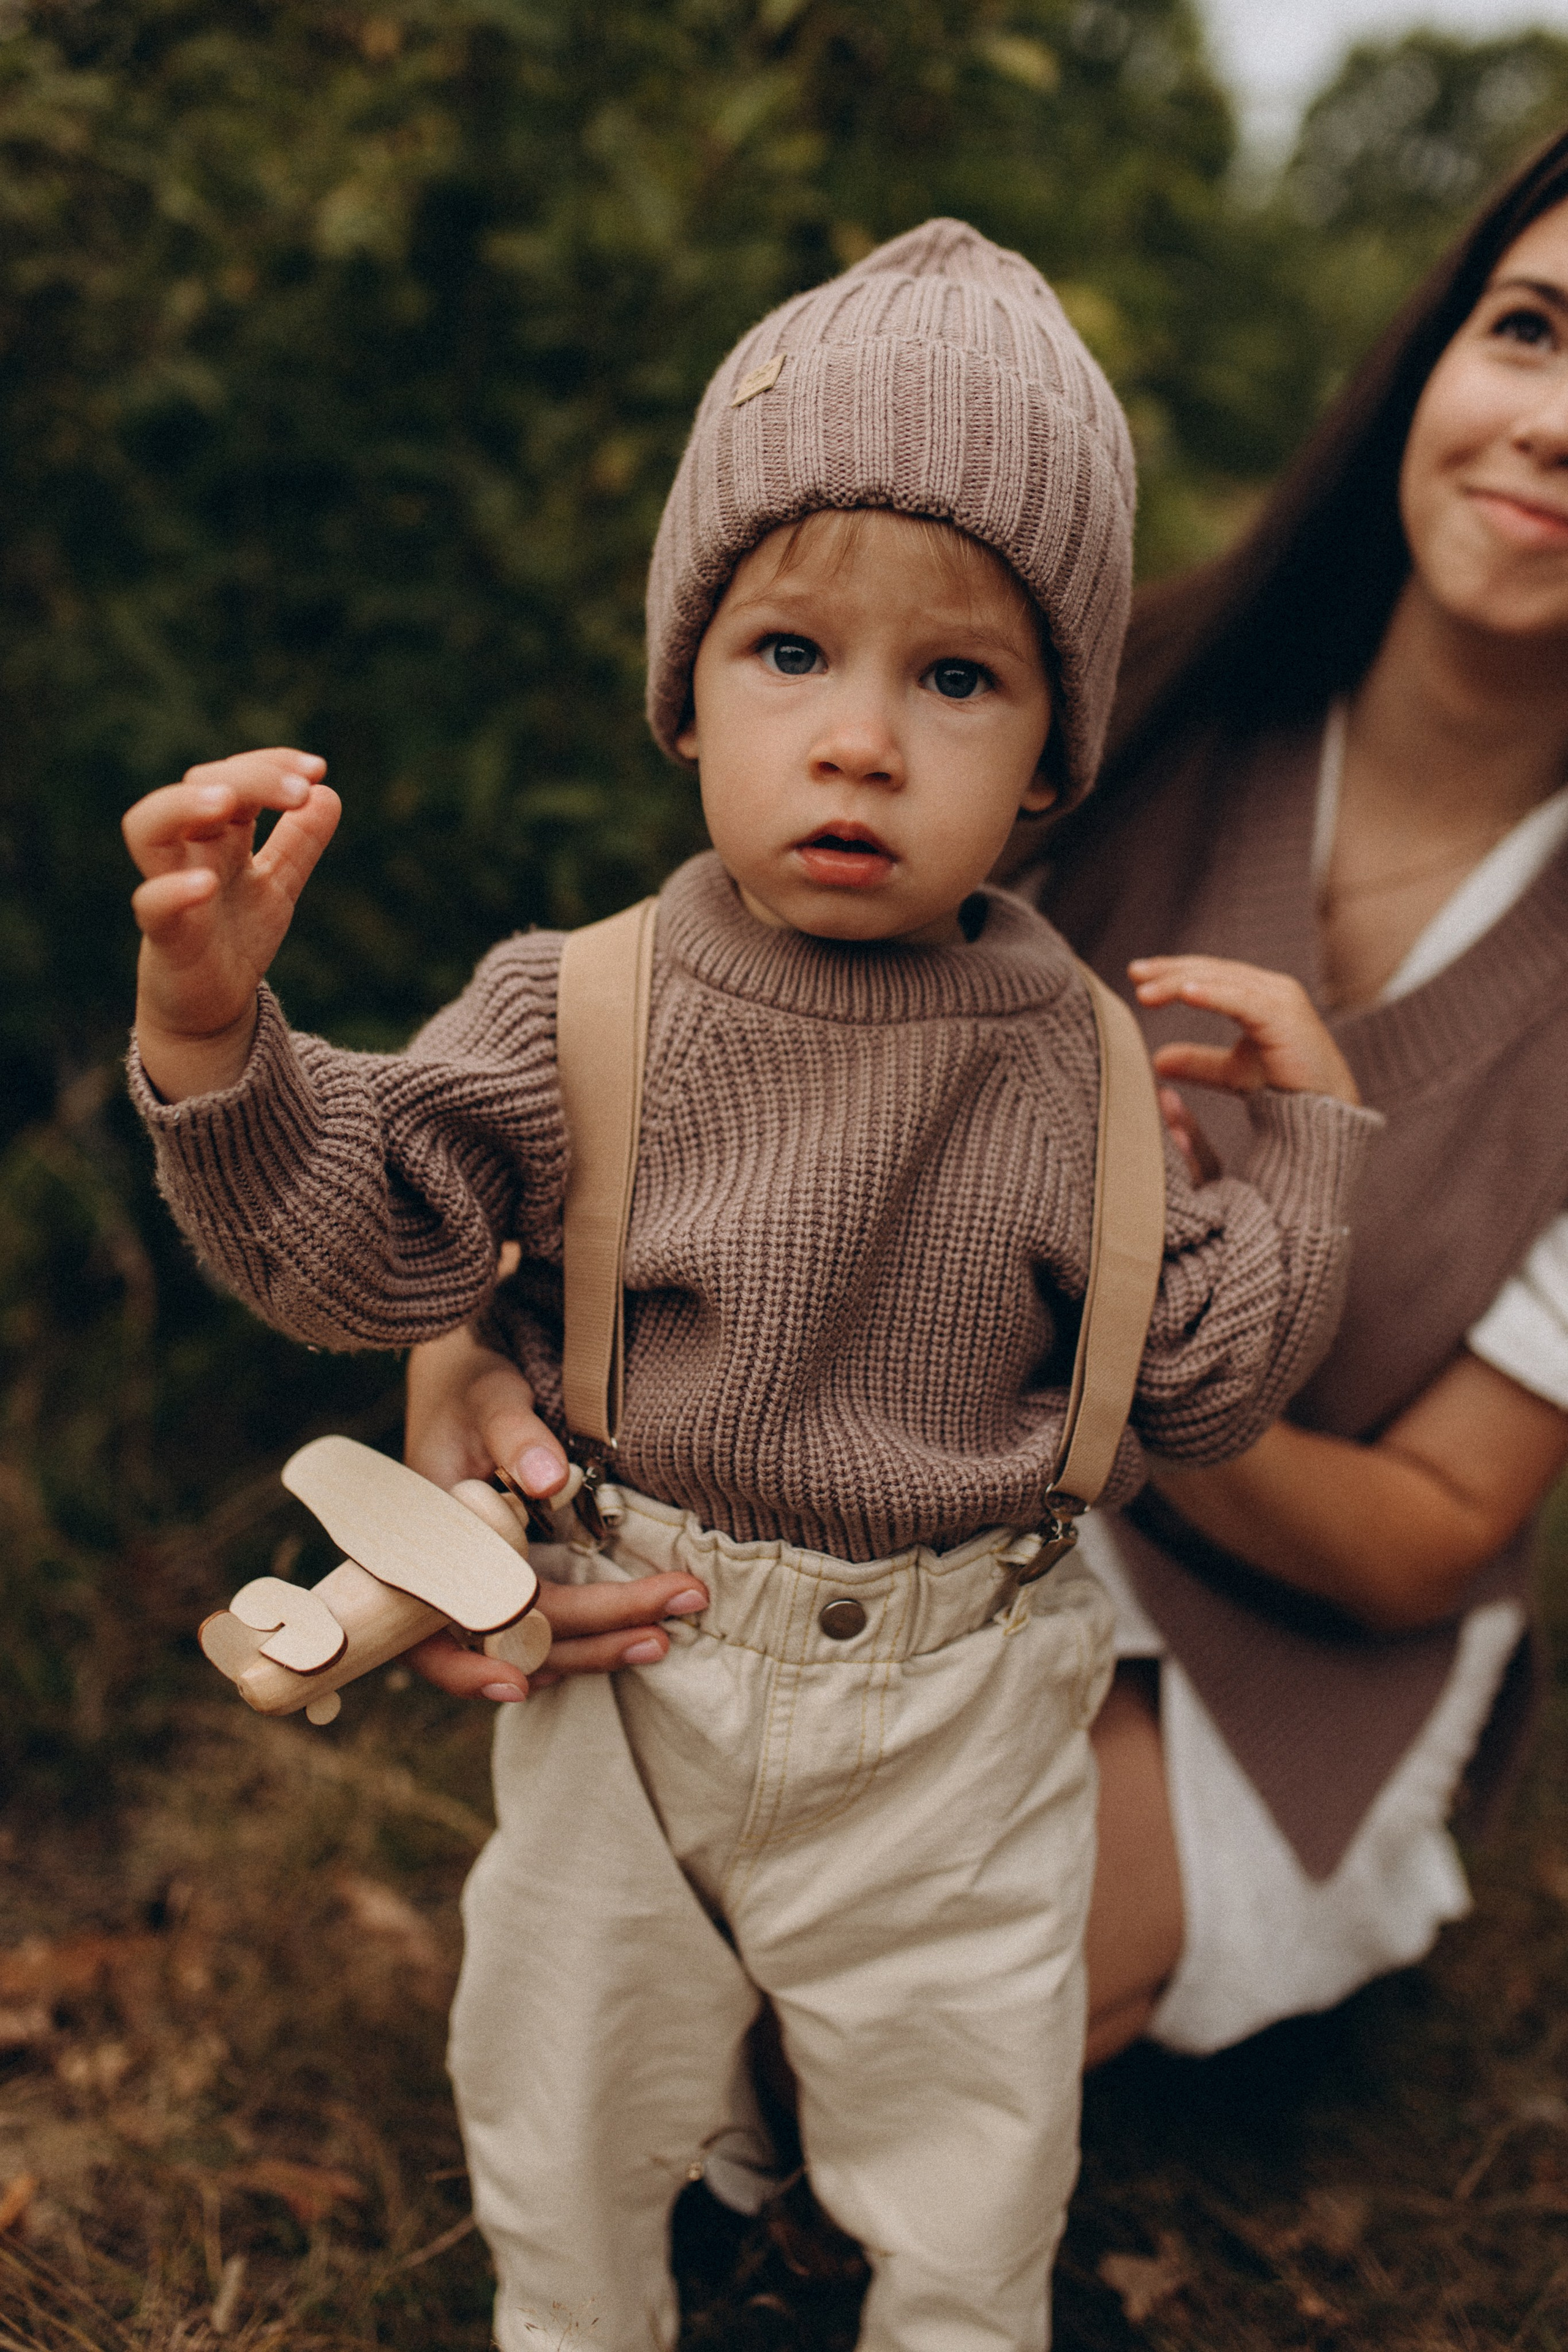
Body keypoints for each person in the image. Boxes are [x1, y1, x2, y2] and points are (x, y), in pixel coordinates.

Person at [121, 222, 1376, 2350]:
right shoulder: (582, 1004)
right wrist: (217, 1038)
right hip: (639, 1678)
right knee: (566, 2117)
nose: (862, 740)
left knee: (974, 2172)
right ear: (686, 693)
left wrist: (1310, 1157)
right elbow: (368, 1244)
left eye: (957, 679)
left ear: (1051, 756)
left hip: (966, 1713)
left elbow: (1195, 1388)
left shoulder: (1072, 1060)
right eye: (792, 652)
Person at [406, 129, 1568, 2083]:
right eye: (1531, 328)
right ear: (1434, 350)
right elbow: (658, 1045)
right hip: (868, 1493)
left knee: (897, 2042)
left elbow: (1428, 1537)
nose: (1554, 425)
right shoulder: (1063, 685)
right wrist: (462, 1369)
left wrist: (1091, 1335)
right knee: (641, 2000)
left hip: (1288, 1629)